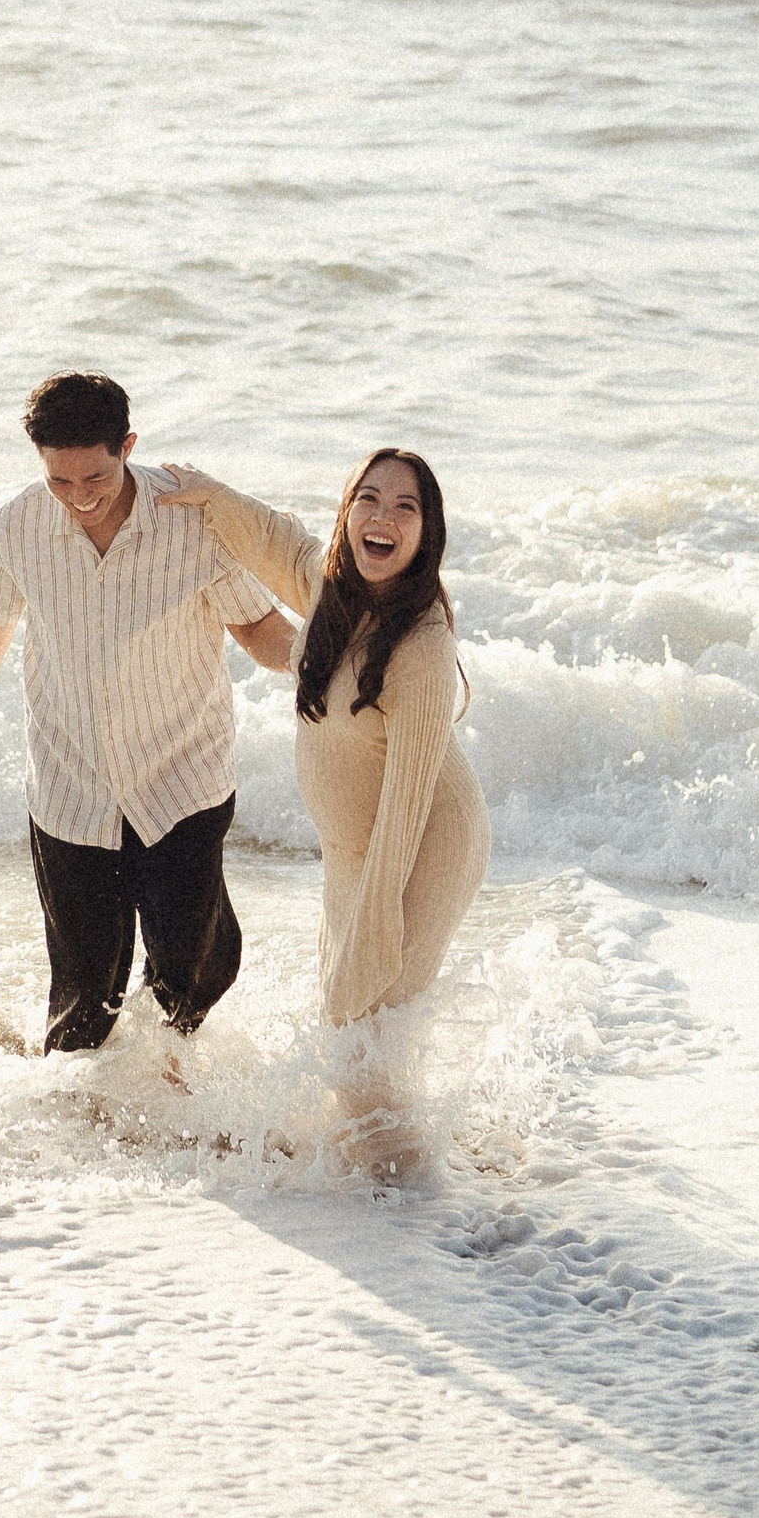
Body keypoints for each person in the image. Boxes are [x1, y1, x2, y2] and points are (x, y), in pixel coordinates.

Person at [0, 371, 295, 1054]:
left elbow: (258, 628)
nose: (79, 498)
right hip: (71, 789)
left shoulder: (194, 520)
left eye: (95, 477)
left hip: (181, 778)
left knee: (191, 971)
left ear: (127, 445)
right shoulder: (16, 525)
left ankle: (172, 1069)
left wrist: (326, 665)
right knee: (81, 1007)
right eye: (60, 482)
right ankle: (75, 1133)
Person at [150, 449, 490, 1061]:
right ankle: (363, 1153)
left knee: (371, 1032)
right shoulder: (332, 588)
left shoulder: (423, 647)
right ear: (348, 511)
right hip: (353, 848)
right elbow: (277, 542)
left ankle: (405, 1158)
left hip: (422, 844)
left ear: (427, 532)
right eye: (370, 499)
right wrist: (210, 493)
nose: (382, 517)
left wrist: (376, 920)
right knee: (347, 1028)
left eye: (404, 507)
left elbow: (407, 807)